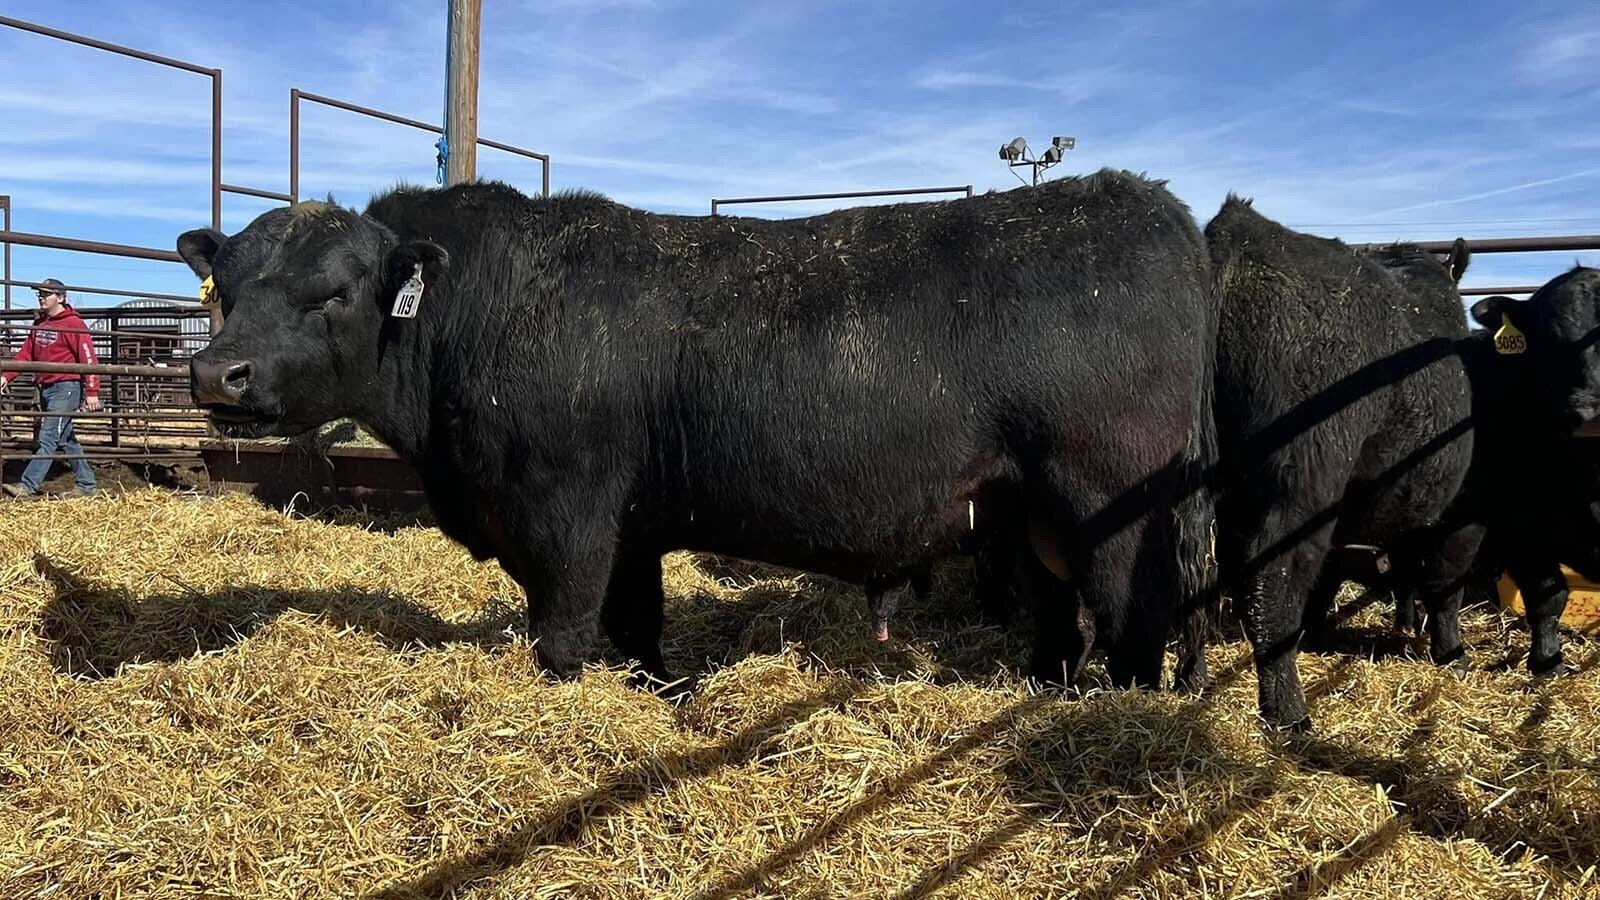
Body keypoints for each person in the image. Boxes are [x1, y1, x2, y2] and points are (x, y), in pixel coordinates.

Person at [0, 278, 100, 498]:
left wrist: (92, 391)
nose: (41, 297)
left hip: (66, 387)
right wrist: (7, 375)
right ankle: (87, 484)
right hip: (47, 387)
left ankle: (27, 486)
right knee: (65, 438)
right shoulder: (40, 324)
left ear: (61, 298)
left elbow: (88, 357)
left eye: (46, 294)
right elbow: (26, 354)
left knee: (48, 438)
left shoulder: (73, 324)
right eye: (40, 294)